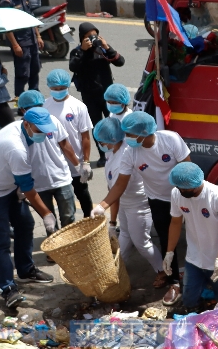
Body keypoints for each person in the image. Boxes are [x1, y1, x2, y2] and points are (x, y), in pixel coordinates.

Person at [0, 107, 61, 307]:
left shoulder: (28, 134)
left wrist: (19, 186)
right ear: (27, 124)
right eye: (40, 131)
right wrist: (46, 213)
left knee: (25, 224)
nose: (44, 135)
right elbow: (29, 188)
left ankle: (26, 269)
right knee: (1, 241)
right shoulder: (15, 146)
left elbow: (28, 174)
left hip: (8, 184)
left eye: (46, 131)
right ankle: (7, 287)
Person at [123, 111, 191, 294]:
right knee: (167, 241)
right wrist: (103, 206)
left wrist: (185, 195)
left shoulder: (170, 140)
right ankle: (174, 281)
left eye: (129, 134)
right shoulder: (131, 153)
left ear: (143, 133)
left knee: (195, 236)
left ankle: (200, 275)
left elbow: (188, 168)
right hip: (158, 200)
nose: (126, 138)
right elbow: (120, 184)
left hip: (183, 195)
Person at [88, 117, 163, 276]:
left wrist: (107, 213)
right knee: (125, 235)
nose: (100, 145)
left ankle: (163, 271)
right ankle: (116, 269)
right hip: (125, 203)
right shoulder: (113, 151)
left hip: (137, 206)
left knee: (142, 243)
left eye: (101, 142)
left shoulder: (123, 156)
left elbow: (117, 190)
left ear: (110, 140)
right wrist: (113, 223)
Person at [163, 162, 218, 312]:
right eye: (178, 187)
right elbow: (175, 223)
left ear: (196, 183)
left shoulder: (217, 196)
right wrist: (169, 253)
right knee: (189, 299)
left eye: (185, 188)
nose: (181, 190)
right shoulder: (177, 193)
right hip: (194, 256)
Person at [19, 90, 81, 227]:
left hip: (61, 178)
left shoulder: (53, 121)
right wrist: (20, 185)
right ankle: (55, 246)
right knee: (50, 223)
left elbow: (65, 145)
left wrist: (78, 166)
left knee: (69, 218)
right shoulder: (19, 131)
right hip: (38, 184)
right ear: (23, 110)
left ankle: (68, 246)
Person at [46, 69, 94, 212]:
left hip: (77, 163)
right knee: (64, 200)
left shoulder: (78, 106)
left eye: (62, 88)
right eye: (55, 88)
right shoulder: (45, 106)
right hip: (56, 164)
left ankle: (89, 221)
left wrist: (85, 162)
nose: (58, 91)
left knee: (83, 194)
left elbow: (85, 136)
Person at [69, 23, 125, 125]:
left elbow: (120, 62)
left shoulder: (102, 49)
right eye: (89, 36)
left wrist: (107, 48)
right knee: (96, 125)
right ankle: (99, 142)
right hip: (90, 97)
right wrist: (83, 51)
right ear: (82, 38)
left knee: (114, 123)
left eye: (95, 35)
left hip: (108, 95)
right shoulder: (77, 52)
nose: (93, 38)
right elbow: (73, 67)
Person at [1, 0, 43, 95]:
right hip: (21, 42)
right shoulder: (7, 1)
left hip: (32, 40)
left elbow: (31, 18)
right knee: (23, 74)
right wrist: (15, 45)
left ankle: (34, 97)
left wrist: (38, 36)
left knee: (35, 70)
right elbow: (6, 26)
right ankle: (20, 101)